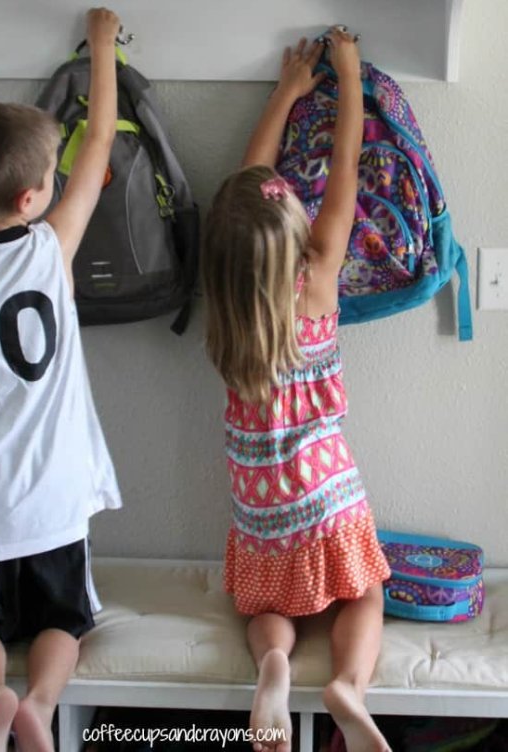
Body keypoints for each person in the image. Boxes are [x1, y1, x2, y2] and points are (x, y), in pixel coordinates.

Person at [0, 9, 122, 752]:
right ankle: (39, 699)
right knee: (63, 622)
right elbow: (98, 142)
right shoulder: (48, 252)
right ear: (35, 198)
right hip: (51, 493)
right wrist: (103, 45)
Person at [201, 28, 392, 752]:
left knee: (269, 609)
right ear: (299, 241)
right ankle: (347, 683)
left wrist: (285, 90)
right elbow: (346, 167)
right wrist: (345, 75)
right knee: (363, 592)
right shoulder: (317, 282)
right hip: (327, 488)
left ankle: (274, 664)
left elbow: (247, 186)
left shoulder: (226, 309)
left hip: (260, 497)